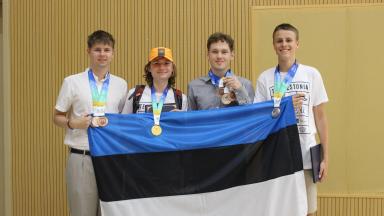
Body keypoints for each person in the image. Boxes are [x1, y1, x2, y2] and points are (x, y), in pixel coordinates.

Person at [253, 23, 329, 216]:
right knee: (280, 209)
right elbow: (259, 117)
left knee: (309, 210)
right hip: (276, 154)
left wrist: (325, 157)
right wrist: (285, 105)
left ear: (297, 44)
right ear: (273, 45)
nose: (284, 44)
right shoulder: (265, 78)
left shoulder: (311, 74)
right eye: (279, 40)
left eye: (288, 40)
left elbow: (320, 117)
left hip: (305, 152)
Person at [53, 30, 127, 216]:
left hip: (110, 157)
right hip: (82, 156)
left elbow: (122, 120)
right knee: (82, 212)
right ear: (88, 51)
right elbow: (57, 116)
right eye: (97, 50)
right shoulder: (72, 82)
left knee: (110, 211)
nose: (102, 54)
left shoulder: (121, 84)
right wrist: (73, 123)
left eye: (106, 50)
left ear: (113, 53)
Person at [188, 32, 254, 110]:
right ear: (208, 55)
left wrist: (239, 90)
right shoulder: (194, 86)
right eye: (215, 52)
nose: (219, 56)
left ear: (232, 55)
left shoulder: (245, 85)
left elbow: (251, 116)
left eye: (224, 52)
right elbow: (191, 119)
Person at [122, 47, 187, 115]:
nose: (162, 67)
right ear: (149, 68)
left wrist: (181, 119)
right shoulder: (135, 94)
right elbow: (124, 122)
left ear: (172, 68)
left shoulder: (181, 98)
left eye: (166, 63)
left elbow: (185, 125)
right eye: (156, 63)